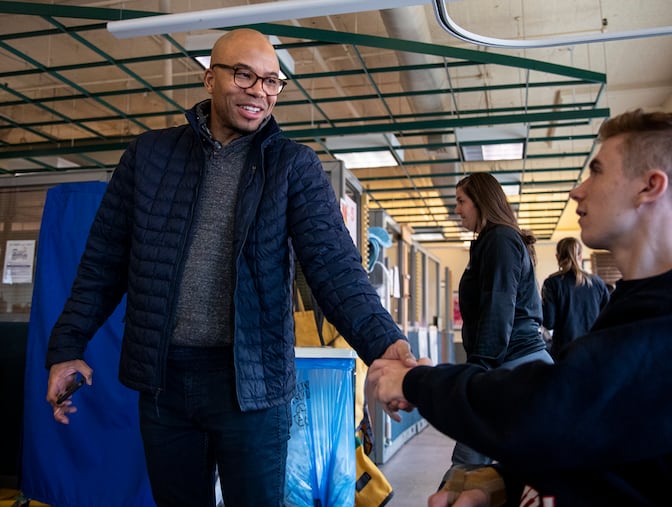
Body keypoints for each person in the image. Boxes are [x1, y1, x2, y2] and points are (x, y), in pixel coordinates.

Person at [44, 28, 415, 507]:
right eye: (244, 75)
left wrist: (388, 346)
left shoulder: (292, 166)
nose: (259, 91)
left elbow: (334, 266)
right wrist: (66, 347)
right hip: (164, 383)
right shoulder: (149, 156)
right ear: (209, 78)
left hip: (252, 387)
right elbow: (103, 262)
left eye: (272, 82)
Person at [368, 109, 672, 506]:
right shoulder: (635, 304)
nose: (576, 191)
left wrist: (417, 383)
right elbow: (620, 449)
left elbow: (553, 409)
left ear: (649, 187)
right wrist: (505, 484)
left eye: (596, 171)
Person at [446, 173, 552, 472]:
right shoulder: (490, 241)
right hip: (513, 363)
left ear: (481, 202)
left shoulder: (500, 240)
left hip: (515, 364)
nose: (457, 210)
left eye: (461, 201)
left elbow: (498, 305)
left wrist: (479, 370)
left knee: (466, 467)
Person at [541, 236, 610, 360]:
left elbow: (549, 322)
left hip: (565, 351)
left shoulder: (552, 283)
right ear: (580, 256)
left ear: (558, 257)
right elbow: (608, 318)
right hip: (594, 348)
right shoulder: (597, 282)